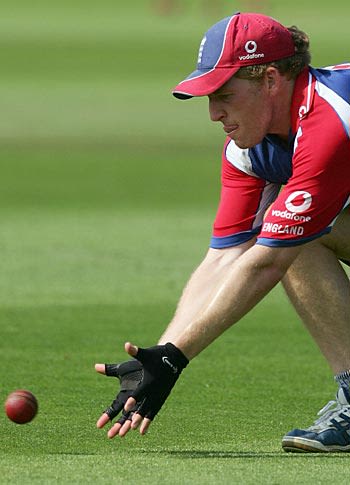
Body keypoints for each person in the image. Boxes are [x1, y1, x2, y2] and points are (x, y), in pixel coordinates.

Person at [95, 12, 350, 453]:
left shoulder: (330, 121)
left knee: (286, 237)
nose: (214, 114)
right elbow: (225, 258)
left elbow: (267, 261)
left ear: (271, 79)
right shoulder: (248, 150)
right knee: (288, 231)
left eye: (225, 95)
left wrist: (178, 358)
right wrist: (161, 355)